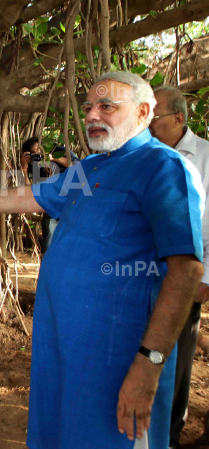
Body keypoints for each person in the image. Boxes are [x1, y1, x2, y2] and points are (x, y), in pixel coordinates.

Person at [0, 71, 205, 449]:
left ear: (144, 112)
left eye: (107, 107)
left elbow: (186, 270)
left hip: (117, 357)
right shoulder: (93, 167)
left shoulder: (164, 168)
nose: (93, 115)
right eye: (88, 107)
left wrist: (149, 365)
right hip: (64, 349)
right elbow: (30, 196)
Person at [150, 86, 209, 449]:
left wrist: (206, 281)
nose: (149, 124)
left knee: (175, 360)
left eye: (154, 117)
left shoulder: (205, 157)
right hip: (138, 278)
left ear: (179, 118)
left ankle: (167, 436)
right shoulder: (144, 154)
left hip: (185, 279)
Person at [20, 137, 79, 254]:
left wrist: (51, 158)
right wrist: (24, 168)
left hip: (73, 206)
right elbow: (27, 191)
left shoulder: (59, 151)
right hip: (51, 210)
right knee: (49, 249)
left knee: (74, 248)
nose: (38, 155)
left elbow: (78, 166)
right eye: (33, 153)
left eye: (39, 150)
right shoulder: (34, 165)